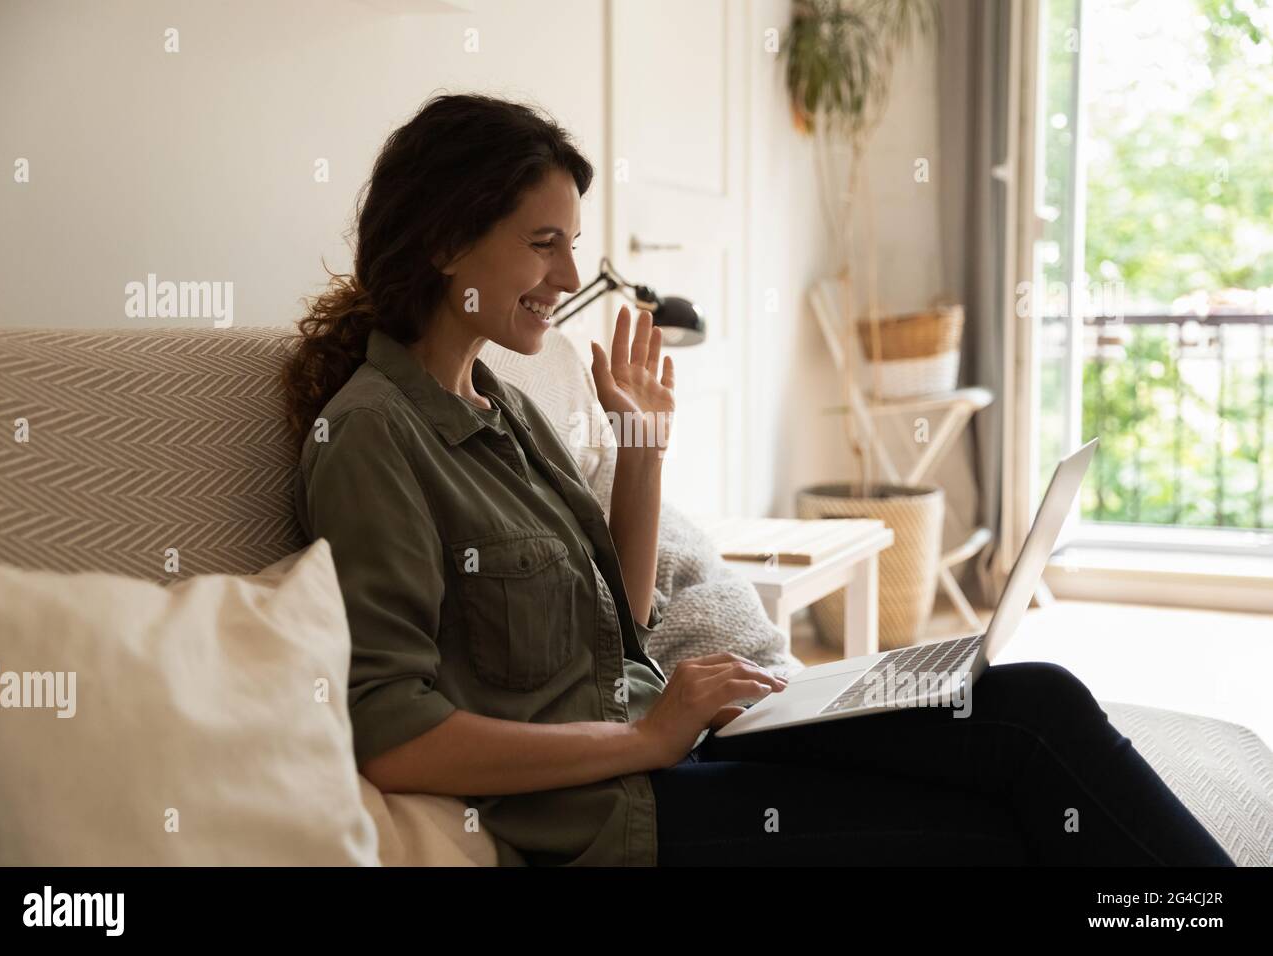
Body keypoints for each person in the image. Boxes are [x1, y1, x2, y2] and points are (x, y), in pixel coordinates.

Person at [280, 92, 1234, 867]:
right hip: (618, 816)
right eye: (544, 243)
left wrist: (643, 447)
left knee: (1034, 703)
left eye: (572, 242)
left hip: (674, 748)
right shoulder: (372, 436)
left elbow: (628, 613)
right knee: (1006, 824)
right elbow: (393, 737)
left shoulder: (502, 402)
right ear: (448, 244)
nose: (571, 273)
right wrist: (648, 741)